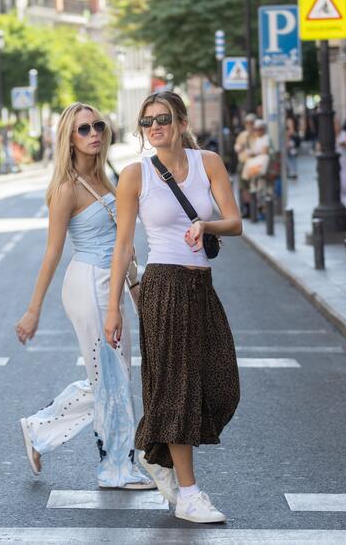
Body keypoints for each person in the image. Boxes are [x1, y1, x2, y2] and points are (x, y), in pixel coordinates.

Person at [105, 91, 241, 523]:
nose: (155, 127)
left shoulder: (209, 163)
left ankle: (156, 449)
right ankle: (189, 492)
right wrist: (114, 308)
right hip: (163, 286)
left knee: (221, 383)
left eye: (163, 118)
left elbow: (234, 222)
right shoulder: (135, 175)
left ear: (182, 121)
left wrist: (206, 224)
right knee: (178, 388)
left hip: (202, 286)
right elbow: (123, 245)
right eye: (147, 122)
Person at [15, 102, 154, 491]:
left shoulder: (107, 180)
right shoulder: (67, 189)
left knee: (112, 378)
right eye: (83, 129)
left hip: (111, 286)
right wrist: (32, 310)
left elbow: (122, 246)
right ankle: (115, 468)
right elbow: (52, 254)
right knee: (111, 380)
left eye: (98, 126)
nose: (93, 133)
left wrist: (137, 292)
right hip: (88, 285)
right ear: (69, 139)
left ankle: (42, 431)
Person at [234, 114, 256, 218]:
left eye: (251, 123)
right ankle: (247, 208)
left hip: (255, 164)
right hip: (243, 164)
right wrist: (240, 147)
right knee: (244, 188)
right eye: (247, 123)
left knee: (254, 186)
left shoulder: (258, 134)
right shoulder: (243, 135)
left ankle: (255, 208)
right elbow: (237, 148)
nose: (249, 125)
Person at [285, 114, 300, 179]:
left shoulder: (289, 120)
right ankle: (292, 172)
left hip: (290, 141)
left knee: (291, 157)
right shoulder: (287, 120)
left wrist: (287, 139)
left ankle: (293, 172)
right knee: (289, 157)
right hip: (288, 141)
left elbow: (291, 131)